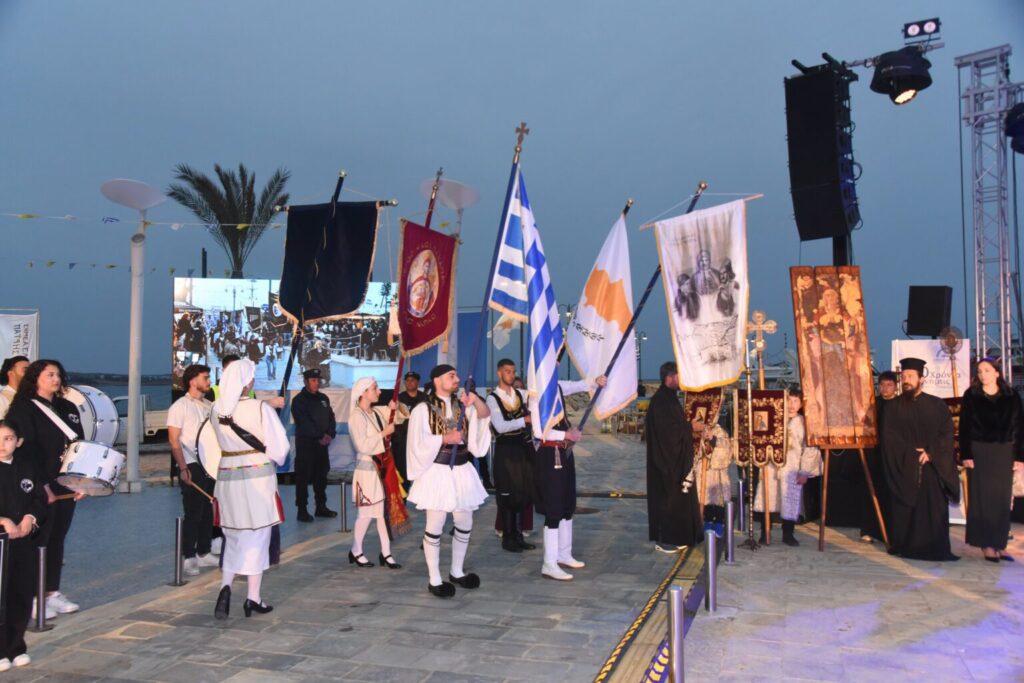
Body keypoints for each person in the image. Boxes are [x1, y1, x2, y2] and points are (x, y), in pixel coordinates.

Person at [5, 360, 85, 617]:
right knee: (39, 539)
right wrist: (41, 486)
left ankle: (51, 592)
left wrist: (81, 481)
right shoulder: (22, 408)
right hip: (39, 485)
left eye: (58, 374)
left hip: (66, 483)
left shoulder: (67, 406)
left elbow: (79, 445)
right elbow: (24, 452)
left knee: (58, 539)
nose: (56, 378)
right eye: (49, 374)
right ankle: (33, 597)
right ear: (35, 378)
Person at [210, 359, 289, 619]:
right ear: (246, 382)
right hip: (257, 479)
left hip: (227, 479)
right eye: (252, 378)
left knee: (232, 537)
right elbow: (280, 448)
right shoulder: (258, 408)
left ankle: (225, 588)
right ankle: (253, 598)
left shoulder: (215, 410)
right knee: (257, 538)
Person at [406, 364, 491, 598]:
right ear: (436, 380)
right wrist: (445, 438)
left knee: (465, 522)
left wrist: (475, 401)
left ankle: (457, 571)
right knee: (435, 526)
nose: (457, 379)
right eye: (451, 376)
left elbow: (484, 416)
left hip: (462, 469)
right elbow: (416, 443)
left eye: (457, 375)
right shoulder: (422, 409)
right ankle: (434, 579)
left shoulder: (461, 404)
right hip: (438, 471)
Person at [882, 357, 960, 561]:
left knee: (932, 507)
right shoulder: (893, 407)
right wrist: (910, 454)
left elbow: (946, 433)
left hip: (931, 468)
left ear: (921, 379)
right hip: (905, 467)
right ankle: (904, 545)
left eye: (910, 376)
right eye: (904, 376)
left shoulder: (936, 405)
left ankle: (932, 547)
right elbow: (889, 437)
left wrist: (930, 452)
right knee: (904, 508)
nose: (906, 379)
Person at [532, 372, 606, 580]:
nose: (555, 364)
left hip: (564, 453)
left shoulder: (557, 386)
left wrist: (595, 380)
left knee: (567, 505)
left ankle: (564, 554)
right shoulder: (536, 394)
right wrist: (566, 435)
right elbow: (539, 432)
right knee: (553, 508)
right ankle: (549, 562)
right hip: (549, 455)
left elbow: (577, 385)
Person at [960, 358, 1024, 562]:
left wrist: (1020, 456)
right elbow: (964, 427)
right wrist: (966, 454)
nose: (982, 375)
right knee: (982, 498)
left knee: (1002, 499)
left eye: (987, 370)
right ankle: (986, 544)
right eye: (979, 371)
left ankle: (1000, 543)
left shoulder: (1011, 395)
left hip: (1004, 451)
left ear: (997, 373)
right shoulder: (971, 395)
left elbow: (1020, 428)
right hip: (979, 451)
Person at [0, 420, 47, 671]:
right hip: (0, 543)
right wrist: (3, 520)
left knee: (21, 593)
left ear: (18, 442)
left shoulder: (27, 467)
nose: (2, 444)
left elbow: (39, 499)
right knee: (0, 595)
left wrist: (30, 518)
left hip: (22, 543)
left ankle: (16, 646)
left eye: (8, 438)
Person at [645, 362, 704, 554]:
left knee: (678, 500)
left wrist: (688, 425)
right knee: (667, 501)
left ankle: (680, 536)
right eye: (678, 376)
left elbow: (674, 425)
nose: (681, 380)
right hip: (665, 463)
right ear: (669, 378)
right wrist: (690, 428)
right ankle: (665, 540)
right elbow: (666, 432)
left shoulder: (669, 398)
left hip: (675, 461)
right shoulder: (660, 400)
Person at [166, 364, 219, 576]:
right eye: (205, 378)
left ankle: (204, 552)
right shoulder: (180, 406)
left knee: (208, 511)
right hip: (192, 464)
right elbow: (173, 439)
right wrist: (183, 467)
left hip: (210, 465)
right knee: (193, 512)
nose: (208, 381)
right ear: (192, 380)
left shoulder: (208, 406)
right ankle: (188, 556)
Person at [754, 390, 822, 546]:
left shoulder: (804, 423)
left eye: (795, 401)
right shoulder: (773, 418)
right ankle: (765, 533)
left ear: (801, 404)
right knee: (768, 498)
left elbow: (810, 448)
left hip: (792, 466)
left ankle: (788, 533)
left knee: (790, 500)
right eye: (789, 400)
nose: (791, 405)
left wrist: (804, 470)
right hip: (770, 466)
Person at [347, 377, 402, 569]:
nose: (379, 392)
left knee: (378, 513)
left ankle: (386, 553)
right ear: (364, 392)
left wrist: (396, 406)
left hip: (379, 470)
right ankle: (356, 550)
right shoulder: (356, 416)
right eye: (375, 388)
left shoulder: (375, 412)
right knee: (366, 514)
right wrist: (384, 433)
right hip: (366, 471)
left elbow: (399, 416)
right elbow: (362, 445)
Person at [486, 359, 536, 553]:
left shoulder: (520, 395)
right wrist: (524, 420)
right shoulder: (493, 399)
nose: (511, 374)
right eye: (507, 371)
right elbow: (500, 426)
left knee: (522, 493)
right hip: (505, 450)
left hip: (521, 449)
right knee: (507, 494)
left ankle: (517, 535)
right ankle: (508, 538)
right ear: (499, 373)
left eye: (513, 371)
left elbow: (540, 393)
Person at [290, 368, 337, 522]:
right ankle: (302, 510)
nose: (317, 383)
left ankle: (321, 507)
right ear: (306, 381)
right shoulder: (299, 401)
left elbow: (331, 418)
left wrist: (329, 434)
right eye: (313, 380)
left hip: (322, 447)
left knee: (321, 477)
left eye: (318, 380)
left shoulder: (323, 398)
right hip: (306, 446)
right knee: (303, 479)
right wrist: (319, 436)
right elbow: (304, 423)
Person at [859, 370, 898, 542]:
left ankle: (891, 531)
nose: (885, 388)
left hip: (894, 456)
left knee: (891, 493)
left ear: (895, 387)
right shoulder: (873, 404)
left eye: (889, 385)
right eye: (882, 385)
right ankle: (869, 530)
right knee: (871, 491)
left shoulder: (901, 404)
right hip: (874, 454)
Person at [394, 371, 426, 483]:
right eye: (407, 380)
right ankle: (403, 496)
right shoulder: (398, 398)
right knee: (403, 468)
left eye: (412, 380)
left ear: (418, 382)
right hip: (402, 439)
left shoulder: (425, 398)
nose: (409, 383)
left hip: (420, 439)